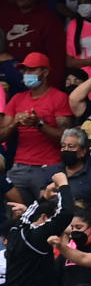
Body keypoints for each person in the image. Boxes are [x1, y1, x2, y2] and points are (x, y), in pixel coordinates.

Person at [4, 171, 73, 286]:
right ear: (44, 219)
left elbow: (27, 217)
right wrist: (63, 184)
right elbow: (66, 214)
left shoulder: (17, 231)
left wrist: (43, 197)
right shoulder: (38, 237)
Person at [0, 52, 73, 204]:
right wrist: (15, 122)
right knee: (16, 215)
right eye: (25, 70)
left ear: (45, 72)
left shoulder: (59, 97)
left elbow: (66, 137)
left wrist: (39, 124)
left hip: (49, 168)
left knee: (48, 215)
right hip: (19, 167)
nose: (27, 74)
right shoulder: (17, 99)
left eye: (31, 70)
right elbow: (1, 135)